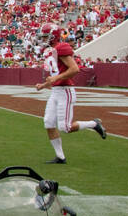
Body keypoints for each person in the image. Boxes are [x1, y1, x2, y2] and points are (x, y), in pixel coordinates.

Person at [34, 25, 106, 165]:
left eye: (45, 36)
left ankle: (94, 124)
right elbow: (55, 75)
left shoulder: (61, 47)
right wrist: (44, 85)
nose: (43, 39)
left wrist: (54, 79)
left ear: (53, 36)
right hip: (56, 91)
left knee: (65, 127)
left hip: (65, 91)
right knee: (48, 122)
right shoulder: (50, 51)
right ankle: (60, 157)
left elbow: (74, 69)